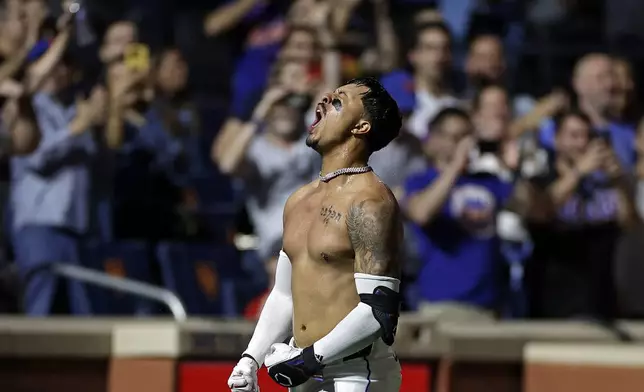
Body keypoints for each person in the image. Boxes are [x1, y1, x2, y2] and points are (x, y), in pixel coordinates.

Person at [227, 77, 403, 392]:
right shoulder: (299, 200)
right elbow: (284, 294)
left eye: (338, 102)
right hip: (304, 370)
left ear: (361, 127)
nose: (323, 100)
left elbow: (379, 311)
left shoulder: (371, 202)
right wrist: (250, 358)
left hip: (355, 373)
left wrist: (309, 359)